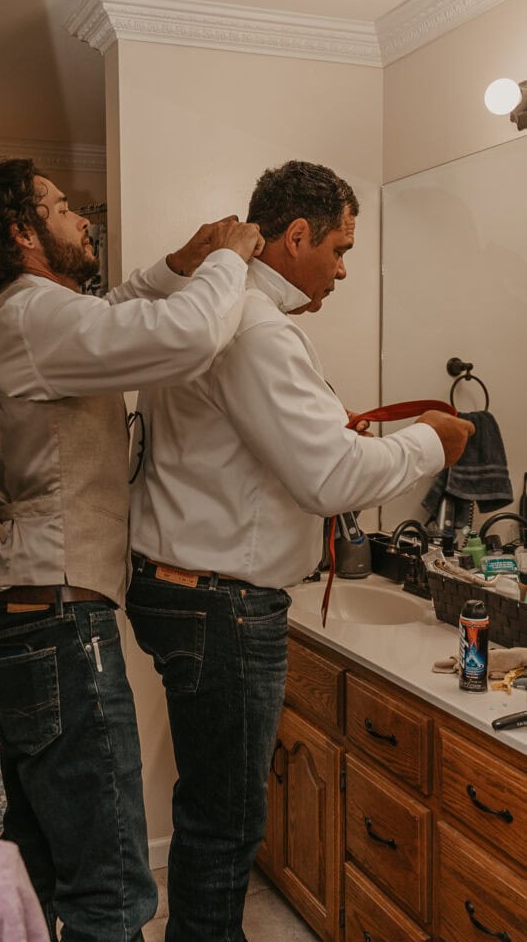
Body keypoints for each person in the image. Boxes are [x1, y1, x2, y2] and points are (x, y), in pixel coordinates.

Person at [126, 160, 474, 942]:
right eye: (339, 249)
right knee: (227, 825)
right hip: (224, 605)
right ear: (294, 237)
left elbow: (255, 452)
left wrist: (325, 422)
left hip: (181, 589)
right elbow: (330, 477)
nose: (343, 269)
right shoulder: (256, 327)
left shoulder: (210, 306)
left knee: (210, 810)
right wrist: (433, 440)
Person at [0, 156, 264, 942]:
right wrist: (230, 256)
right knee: (114, 890)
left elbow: (119, 310)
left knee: (42, 862)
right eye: (60, 208)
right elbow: (182, 337)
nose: (81, 217)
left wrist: (178, 264)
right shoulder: (33, 317)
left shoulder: (28, 315)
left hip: (30, 621)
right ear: (23, 232)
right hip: (60, 631)